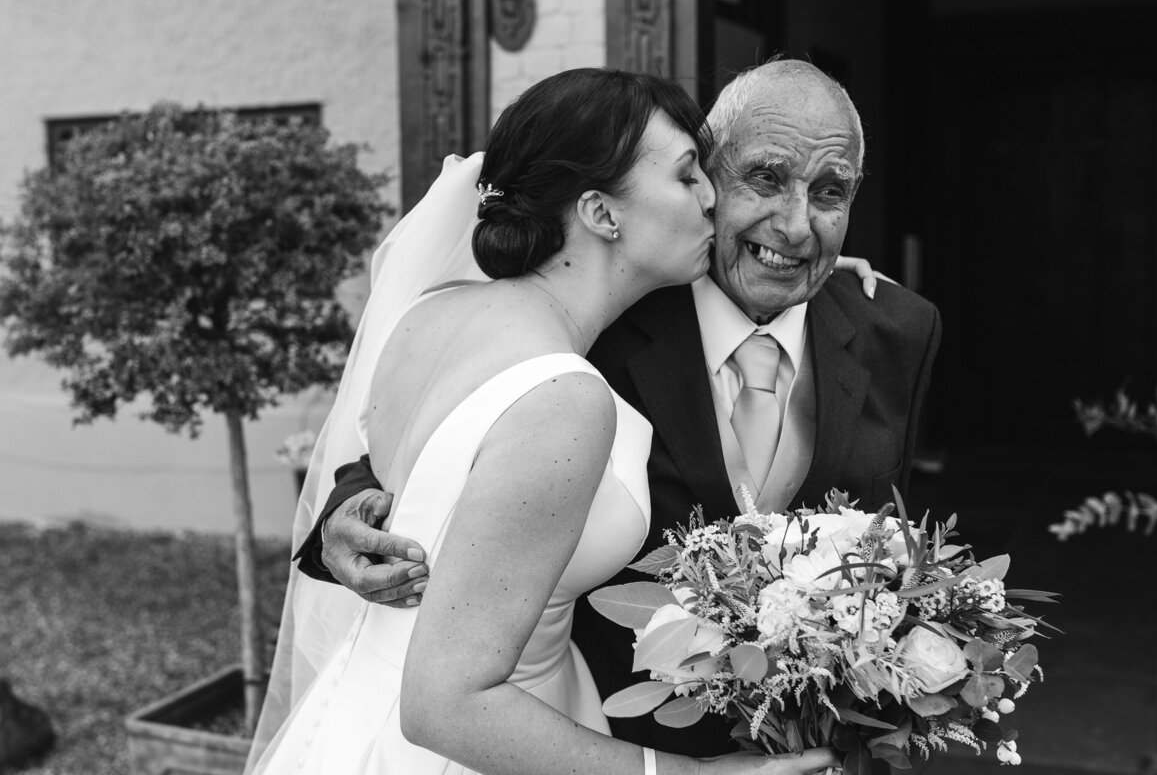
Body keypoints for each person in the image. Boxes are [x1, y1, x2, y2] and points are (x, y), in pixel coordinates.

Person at [298, 58, 942, 761]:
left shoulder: (897, 329)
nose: (794, 224)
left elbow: (893, 549)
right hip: (582, 741)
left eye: (829, 194)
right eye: (762, 178)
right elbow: (457, 431)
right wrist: (350, 507)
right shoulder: (597, 314)